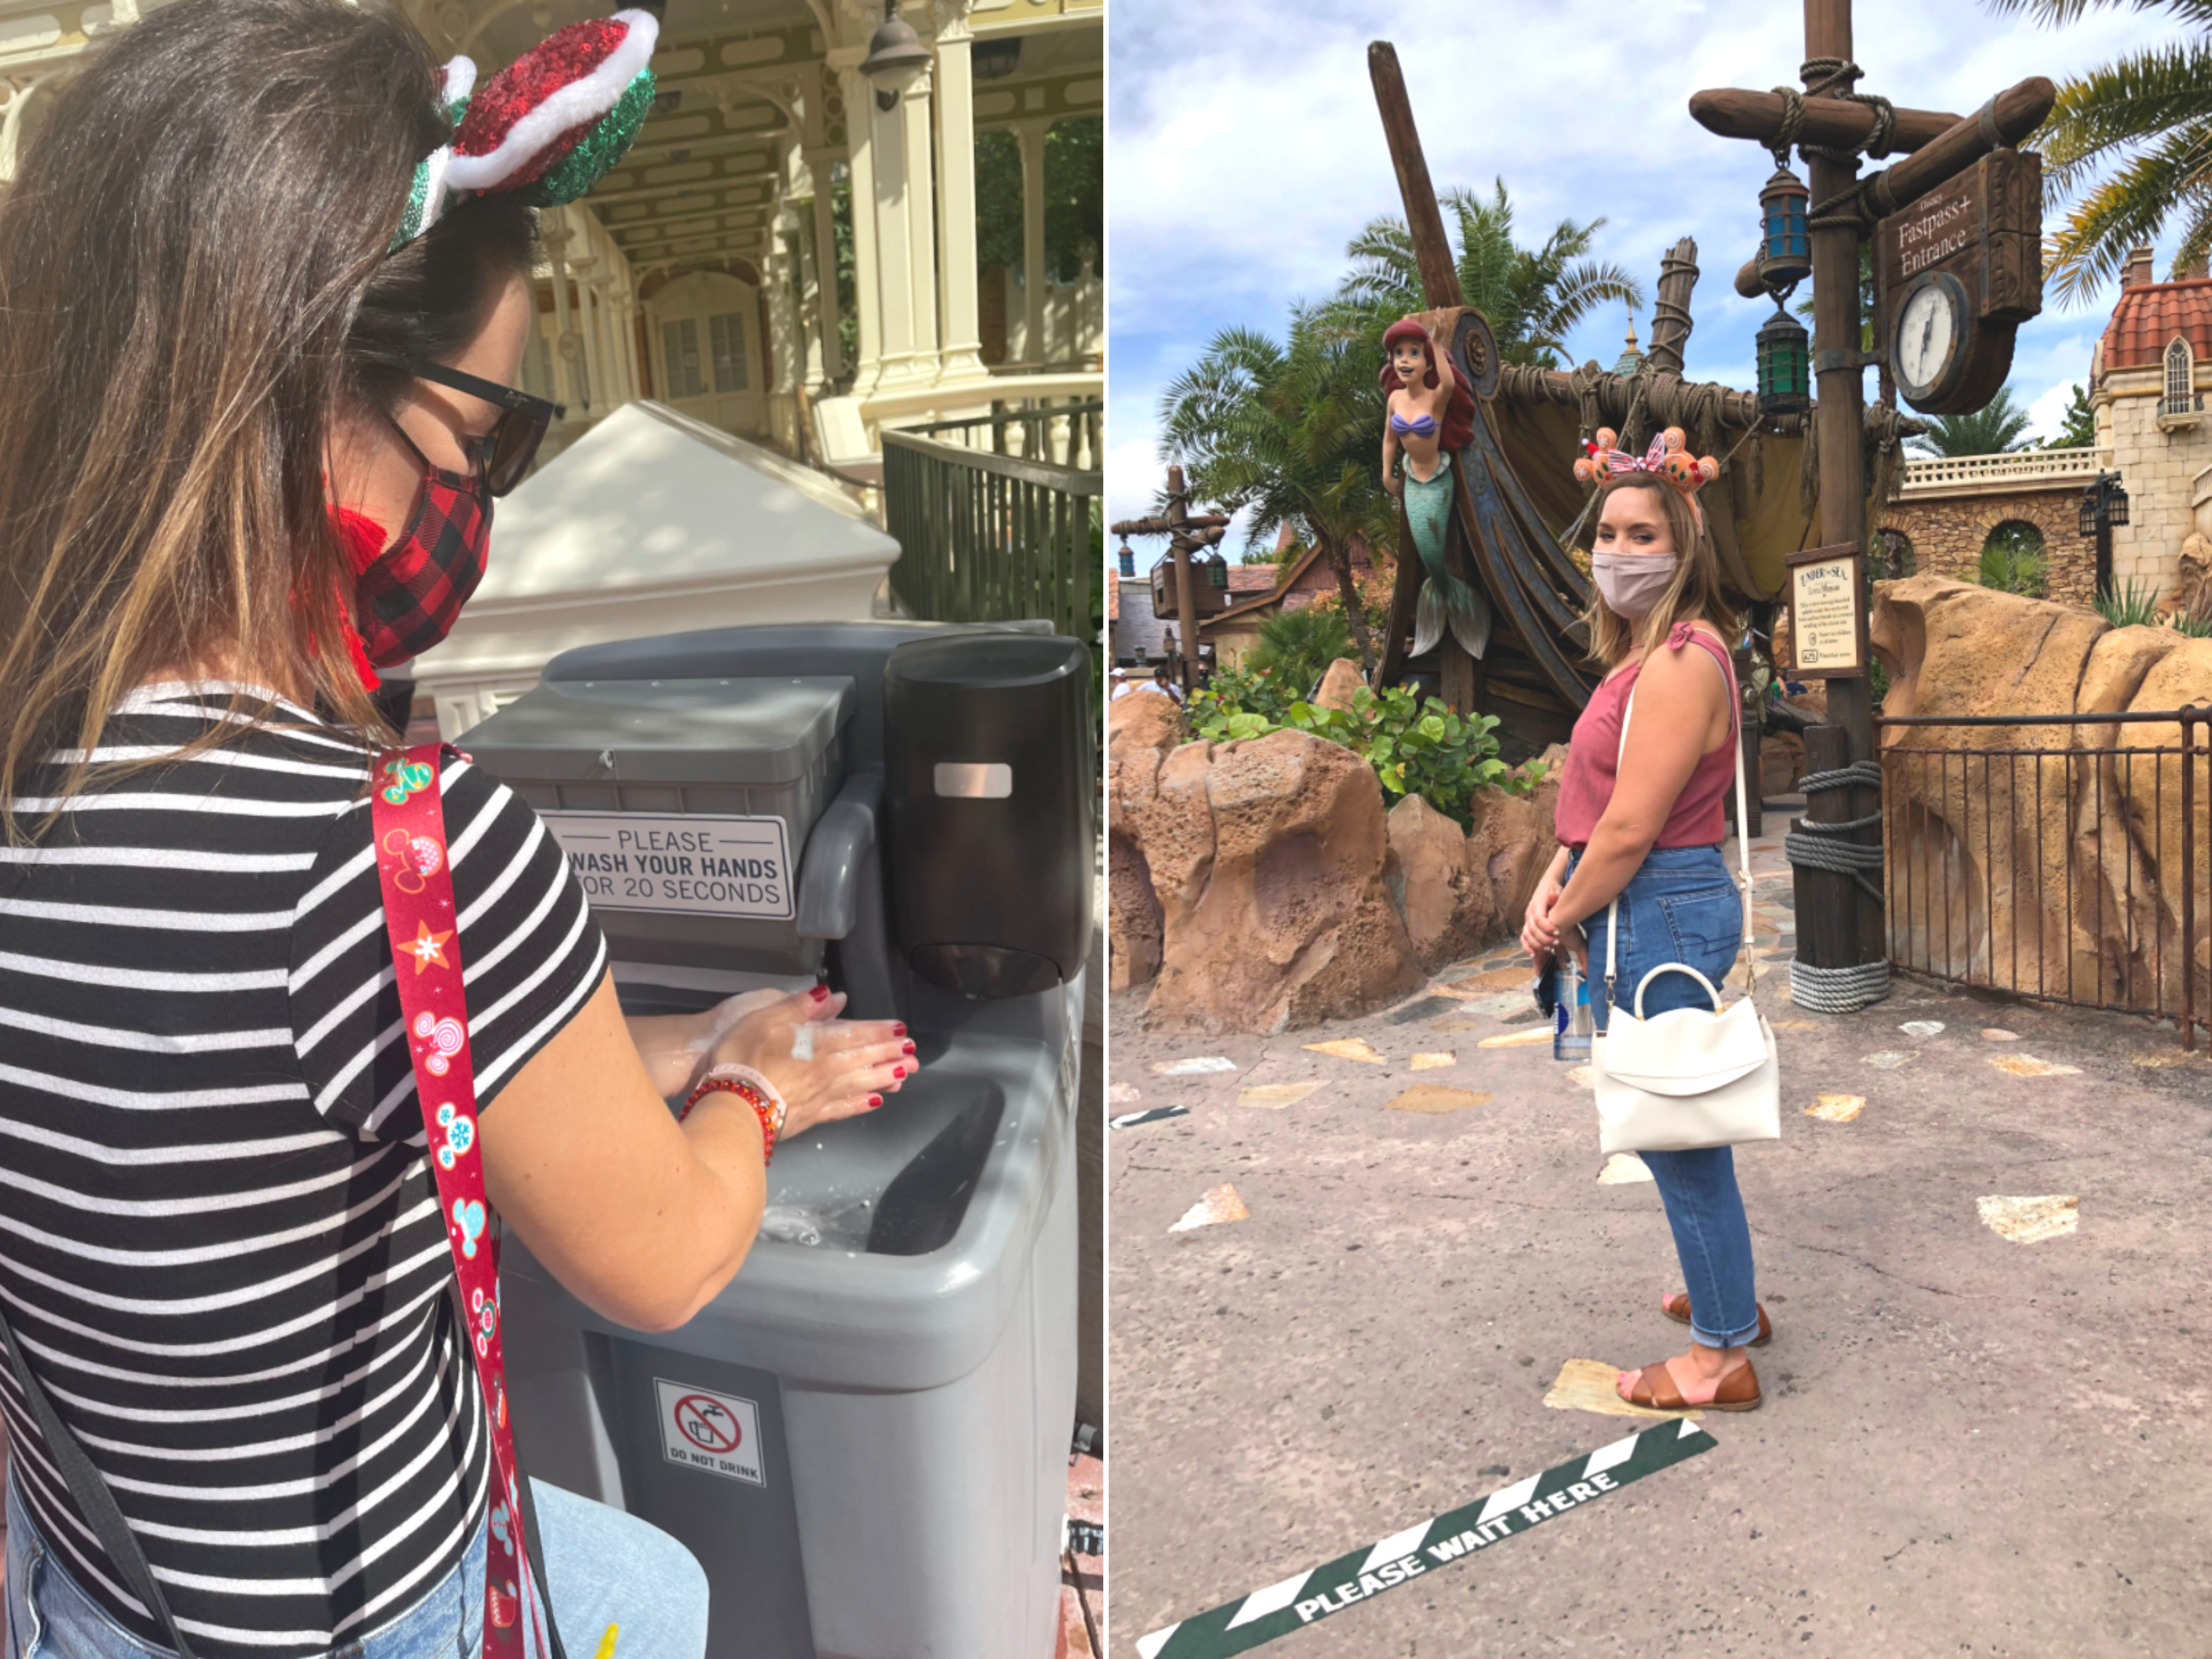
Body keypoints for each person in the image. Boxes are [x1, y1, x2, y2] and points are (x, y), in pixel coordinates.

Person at [0, 4, 914, 1654]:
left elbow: (260, 1088)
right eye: (482, 437)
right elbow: (666, 1261)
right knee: (672, 1591)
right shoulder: (403, 854)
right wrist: (749, 1086)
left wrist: (664, 1034)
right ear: (287, 387)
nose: (475, 504)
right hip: (374, 1615)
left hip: (98, 1587)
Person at [1519, 426, 1768, 1414]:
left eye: (1640, 532)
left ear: (1682, 545)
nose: (1617, 551)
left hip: (1656, 900)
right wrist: (1554, 876)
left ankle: (1720, 1357)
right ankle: (1728, 1306)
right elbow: (1598, 808)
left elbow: (1629, 828)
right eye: (1607, 532)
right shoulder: (1645, 657)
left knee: (1678, 1134)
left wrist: (1556, 916)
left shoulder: (1677, 662)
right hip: (1646, 898)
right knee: (1680, 1122)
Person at [1379, 315, 1488, 658]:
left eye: (1414, 352)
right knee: (1426, 551)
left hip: (1438, 478)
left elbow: (1451, 386)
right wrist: (1387, 474)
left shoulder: (1435, 397)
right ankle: (1439, 599)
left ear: (1426, 361)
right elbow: (1389, 439)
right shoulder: (1395, 400)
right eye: (1399, 353)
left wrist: (1438, 343)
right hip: (1412, 479)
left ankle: (1460, 606)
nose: (1405, 360)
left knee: (1434, 542)